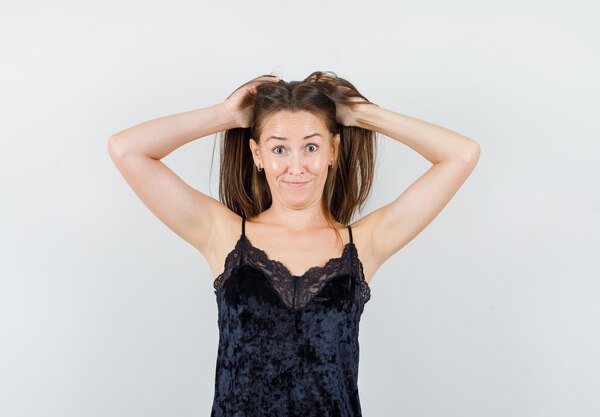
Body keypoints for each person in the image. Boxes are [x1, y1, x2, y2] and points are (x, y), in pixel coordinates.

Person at [107, 70, 480, 416]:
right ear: (258, 155)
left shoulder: (363, 243)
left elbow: (462, 154)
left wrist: (362, 114)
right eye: (280, 149)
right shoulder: (222, 235)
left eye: (312, 147)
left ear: (333, 150)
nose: (297, 166)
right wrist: (226, 114)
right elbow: (127, 149)